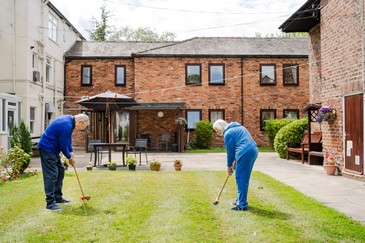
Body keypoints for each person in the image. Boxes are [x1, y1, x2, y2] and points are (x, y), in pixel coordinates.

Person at [38, 114, 89, 211]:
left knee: (60, 170)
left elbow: (67, 140)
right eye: (83, 127)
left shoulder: (69, 121)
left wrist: (71, 151)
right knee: (51, 174)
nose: (81, 129)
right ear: (80, 122)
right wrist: (70, 158)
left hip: (53, 149)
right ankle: (50, 203)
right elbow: (63, 146)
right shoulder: (67, 125)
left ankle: (57, 197)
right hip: (47, 148)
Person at [213, 119, 258, 211]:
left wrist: (229, 166)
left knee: (241, 178)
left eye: (217, 131)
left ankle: (242, 205)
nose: (217, 133)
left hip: (245, 153)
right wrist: (236, 160)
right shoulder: (239, 127)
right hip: (253, 151)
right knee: (243, 178)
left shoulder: (228, 133)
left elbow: (230, 152)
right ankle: (240, 200)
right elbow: (239, 145)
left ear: (221, 128)